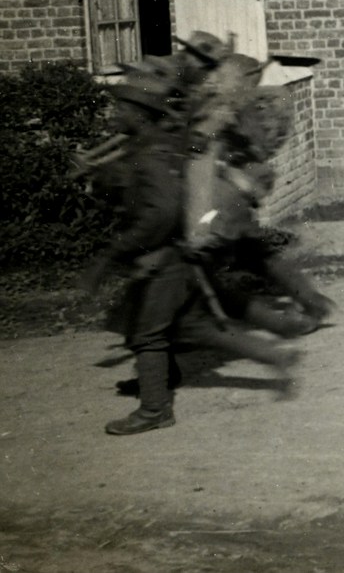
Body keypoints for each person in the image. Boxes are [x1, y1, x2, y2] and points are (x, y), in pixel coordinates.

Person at [86, 71, 299, 434]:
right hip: (176, 258)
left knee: (149, 333)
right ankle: (272, 355)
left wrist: (121, 251)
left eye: (121, 107)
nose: (114, 114)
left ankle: (155, 409)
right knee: (191, 326)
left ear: (139, 114)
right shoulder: (153, 145)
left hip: (164, 259)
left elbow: (162, 212)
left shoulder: (150, 153)